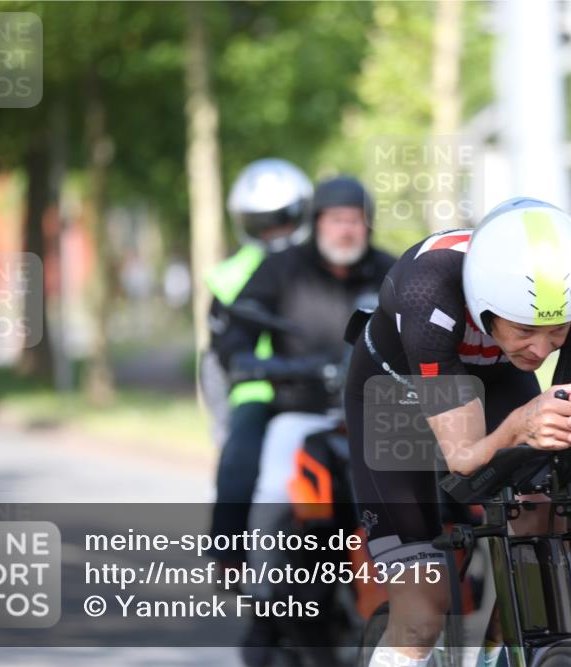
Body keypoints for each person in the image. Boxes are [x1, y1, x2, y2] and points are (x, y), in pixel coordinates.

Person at [344, 197, 571, 667]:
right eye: (525, 329)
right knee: (422, 614)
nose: (541, 349)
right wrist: (520, 425)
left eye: (557, 333)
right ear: (483, 304)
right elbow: (466, 457)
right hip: (393, 393)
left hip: (496, 379)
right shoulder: (428, 292)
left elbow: (563, 445)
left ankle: (501, 654)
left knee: (542, 521)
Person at [213, 175, 397, 665]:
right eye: (335, 219)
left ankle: (439, 588)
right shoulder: (282, 269)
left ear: (368, 224)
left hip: (378, 413)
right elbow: (238, 327)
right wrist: (245, 359)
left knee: (432, 487)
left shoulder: (393, 272)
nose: (345, 230)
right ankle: (267, 600)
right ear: (316, 223)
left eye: (354, 220)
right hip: (301, 410)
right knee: (274, 488)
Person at [203, 158, 313, 568]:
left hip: (321, 389)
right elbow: (215, 358)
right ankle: (230, 558)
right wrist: (222, 420)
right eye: (262, 223)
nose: (275, 233)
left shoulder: (325, 264)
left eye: (283, 221)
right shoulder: (228, 277)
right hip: (259, 391)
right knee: (238, 461)